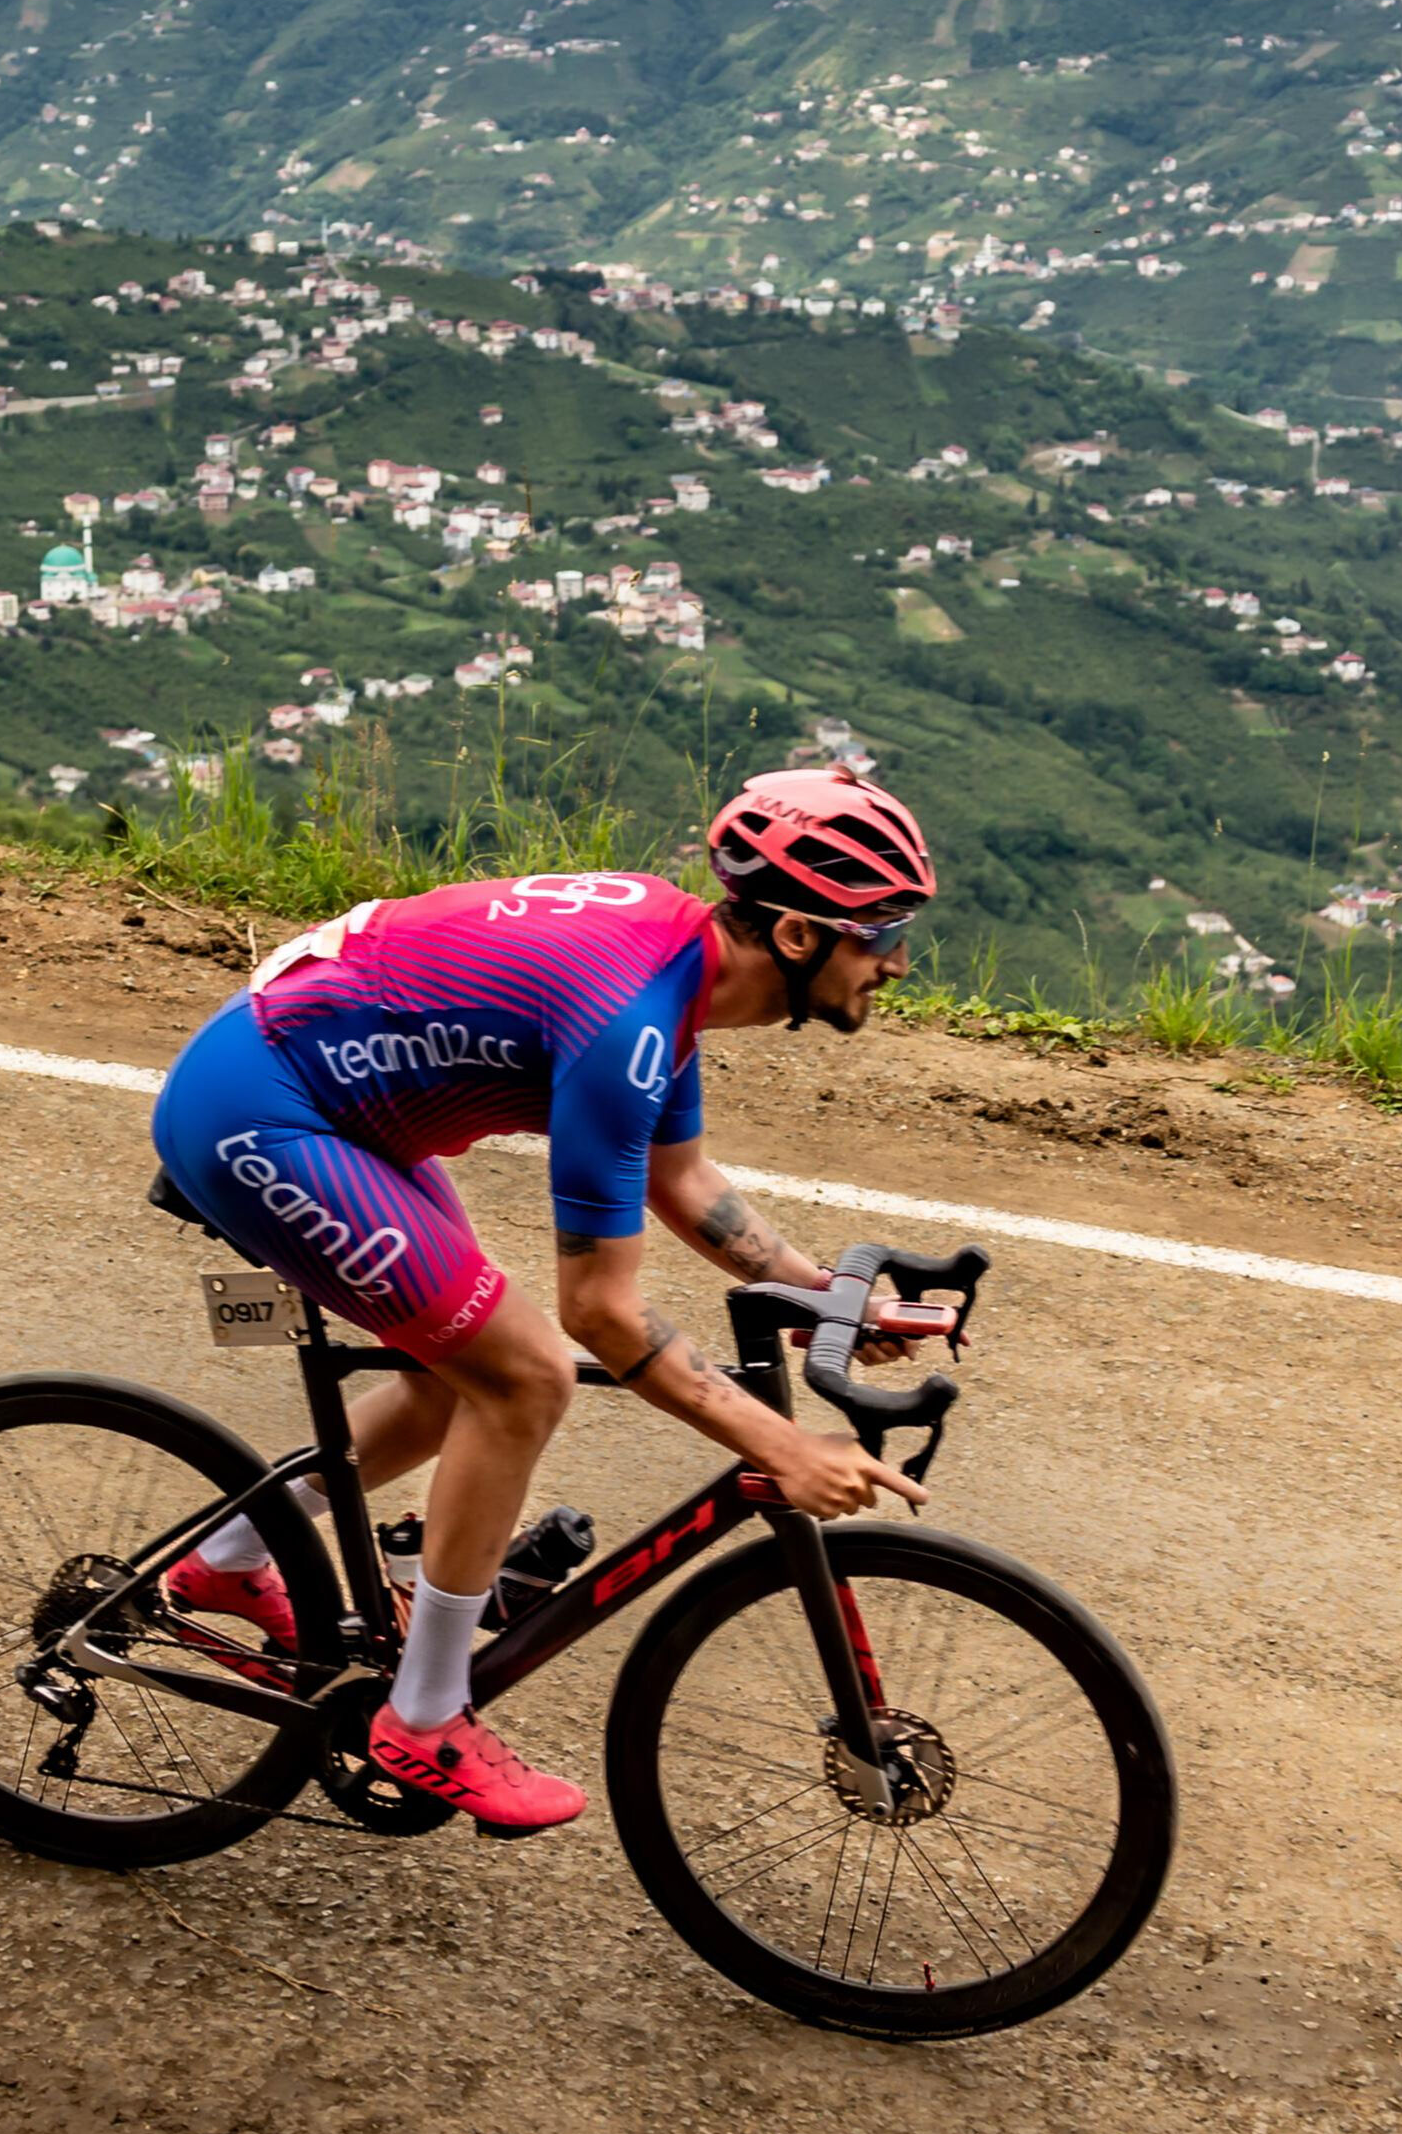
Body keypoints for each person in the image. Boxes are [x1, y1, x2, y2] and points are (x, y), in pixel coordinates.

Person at [144, 769, 943, 1830]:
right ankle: (422, 1721)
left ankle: (228, 1564)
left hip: (328, 1101)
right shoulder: (630, 1024)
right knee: (519, 1379)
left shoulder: (677, 979)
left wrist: (827, 1295)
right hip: (261, 1111)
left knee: (452, 1380)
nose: (895, 961)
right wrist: (778, 1445)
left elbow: (682, 1183)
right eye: (879, 932)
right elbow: (600, 1316)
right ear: (797, 935)